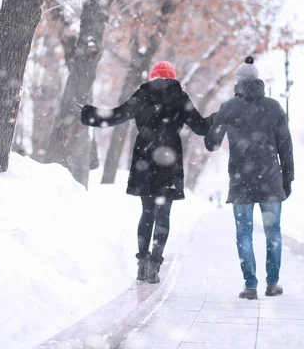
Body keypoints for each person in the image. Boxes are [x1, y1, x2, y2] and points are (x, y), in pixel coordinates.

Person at [80, 61, 213, 284]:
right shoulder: (180, 97)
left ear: (152, 77)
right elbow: (201, 127)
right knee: (163, 215)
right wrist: (218, 117)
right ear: (172, 77)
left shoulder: (142, 95)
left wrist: (87, 112)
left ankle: (142, 264)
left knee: (147, 213)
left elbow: (114, 116)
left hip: (145, 158)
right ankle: (155, 263)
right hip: (169, 160)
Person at [205, 56, 294, 300]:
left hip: (241, 180)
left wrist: (218, 120)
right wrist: (288, 178)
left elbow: (212, 144)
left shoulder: (229, 108)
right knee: (272, 231)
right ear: (258, 81)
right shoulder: (274, 107)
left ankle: (250, 285)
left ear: (238, 83)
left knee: (243, 233)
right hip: (270, 179)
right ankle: (273, 283)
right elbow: (286, 146)